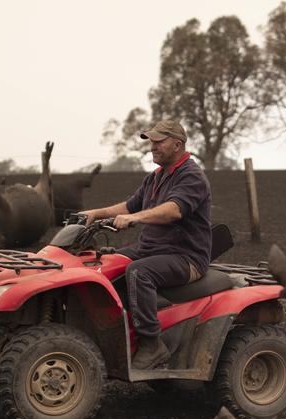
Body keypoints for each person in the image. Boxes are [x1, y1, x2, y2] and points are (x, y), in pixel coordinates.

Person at [80, 120, 212, 369]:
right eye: (151, 141)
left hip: (186, 257)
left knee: (139, 272)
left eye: (158, 141)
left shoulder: (192, 177)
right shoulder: (156, 178)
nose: (152, 146)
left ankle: (152, 345)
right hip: (152, 249)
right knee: (104, 264)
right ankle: (114, 331)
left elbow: (173, 210)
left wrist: (135, 218)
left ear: (177, 144)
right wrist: (95, 214)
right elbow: (130, 205)